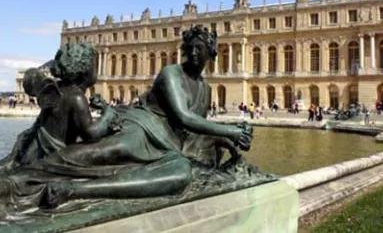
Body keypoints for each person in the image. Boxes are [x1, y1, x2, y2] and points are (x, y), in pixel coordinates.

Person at [34, 26, 252, 207]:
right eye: (190, 48)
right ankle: (38, 170)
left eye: (200, 48)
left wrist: (228, 136)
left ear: (211, 52)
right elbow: (185, 117)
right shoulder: (171, 73)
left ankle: (74, 190)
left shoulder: (205, 89)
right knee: (108, 152)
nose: (194, 53)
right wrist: (231, 131)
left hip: (167, 145)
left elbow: (193, 132)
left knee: (181, 175)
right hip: (142, 126)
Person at [0, 44, 119, 172]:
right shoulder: (76, 97)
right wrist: (108, 114)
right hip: (49, 158)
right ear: (84, 71)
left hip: (34, 153)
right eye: (94, 65)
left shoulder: (58, 89)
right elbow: (90, 134)